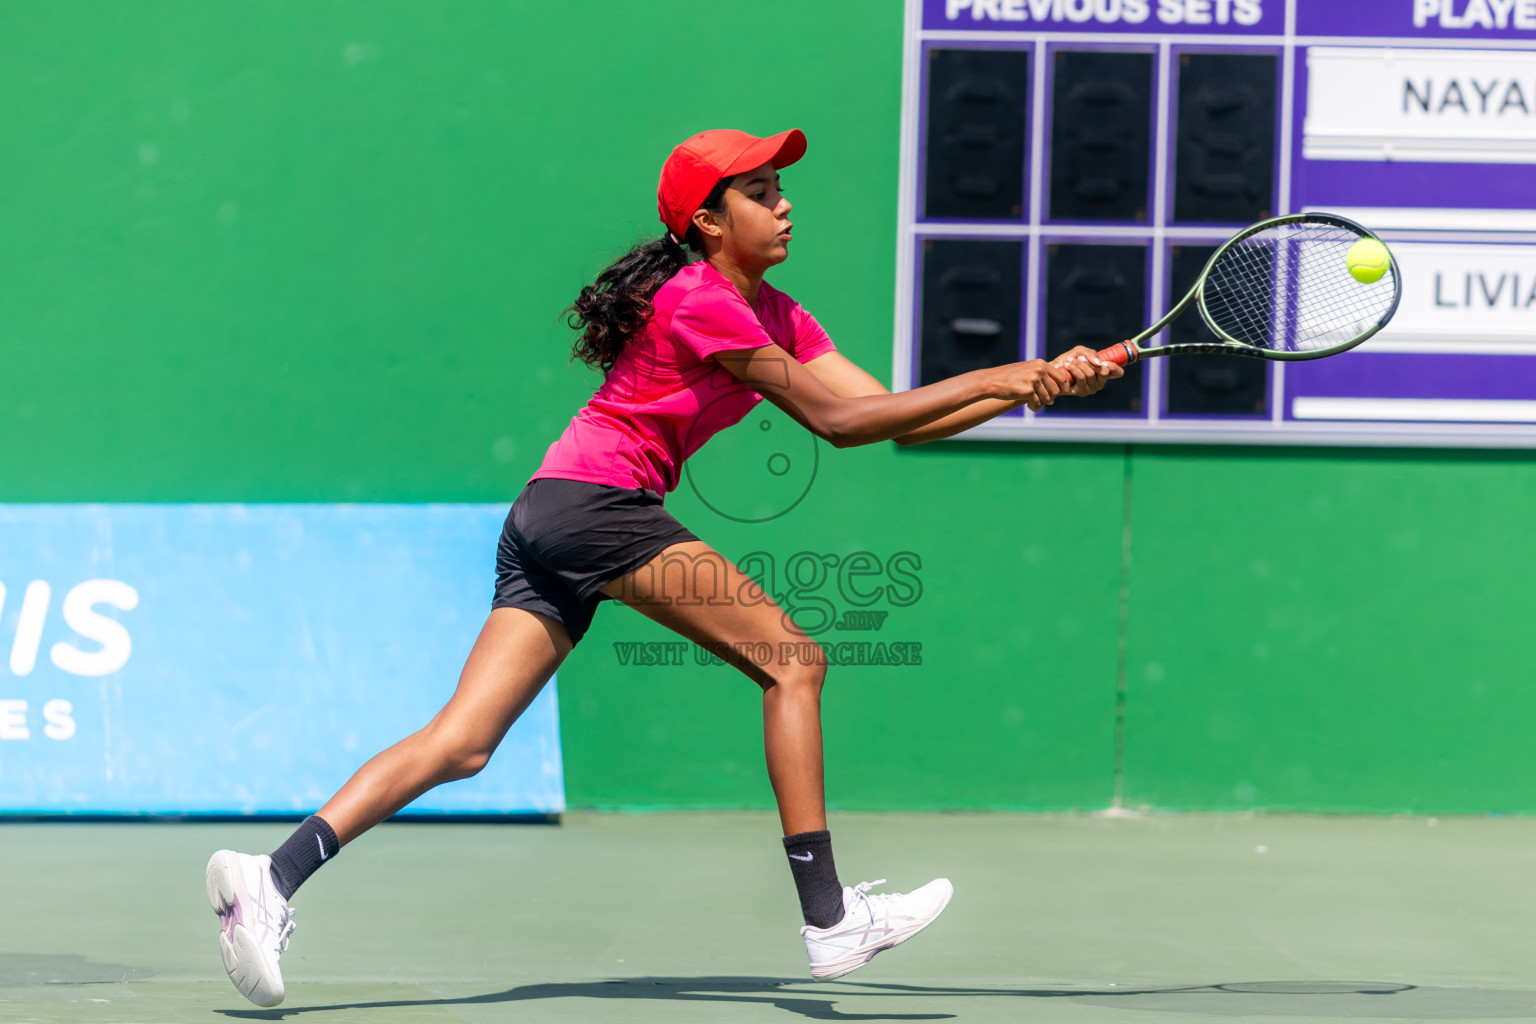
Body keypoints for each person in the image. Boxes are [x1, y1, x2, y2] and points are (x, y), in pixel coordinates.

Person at [204, 127, 1122, 1007]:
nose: (784, 205)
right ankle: (830, 918)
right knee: (792, 660)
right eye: (759, 194)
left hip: (550, 510)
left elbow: (888, 413)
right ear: (710, 223)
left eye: (780, 189)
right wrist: (1006, 375)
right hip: (600, 508)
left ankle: (271, 877)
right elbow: (837, 427)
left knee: (463, 743)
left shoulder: (779, 314)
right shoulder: (698, 298)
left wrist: (1034, 387)